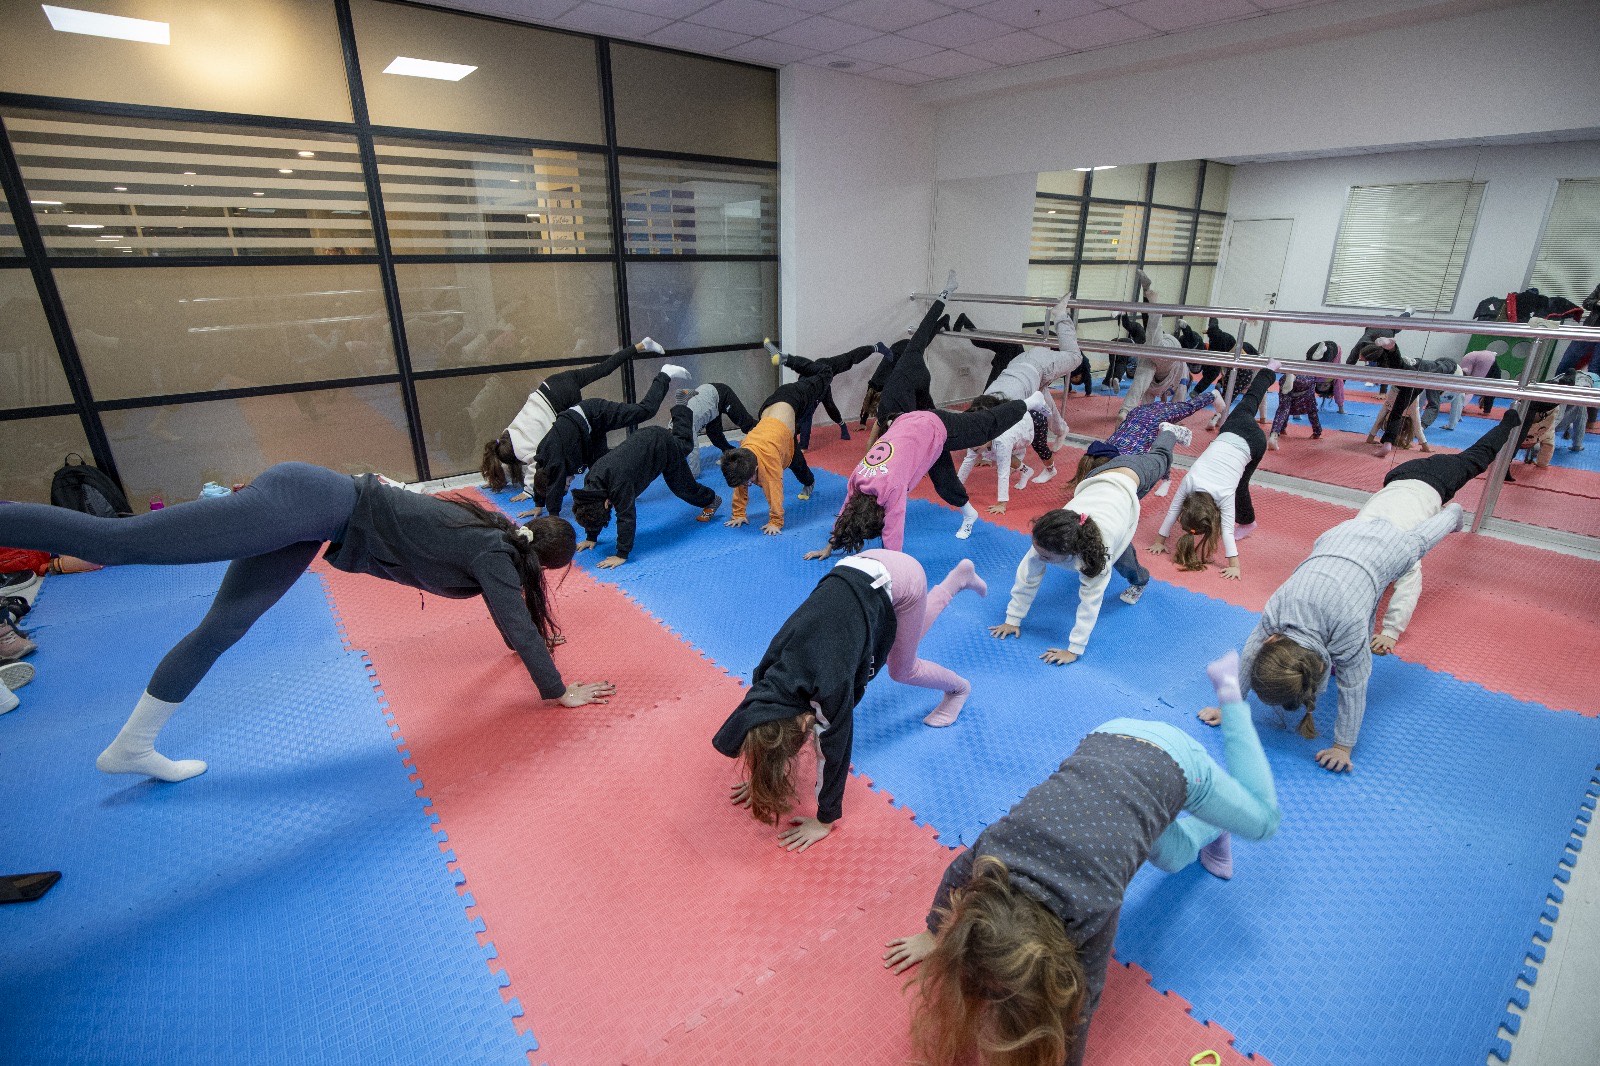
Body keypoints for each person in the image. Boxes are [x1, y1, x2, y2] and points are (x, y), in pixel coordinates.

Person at [0, 464, 615, 782]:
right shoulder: (497, 554)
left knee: (224, 627)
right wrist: (558, 691)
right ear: (541, 563)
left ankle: (130, 747)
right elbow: (514, 623)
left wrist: (538, 636)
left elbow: (517, 616)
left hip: (313, 512)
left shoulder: (495, 534)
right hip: (304, 503)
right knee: (121, 541)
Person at [884, 651, 1280, 1066]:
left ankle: (1231, 692)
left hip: (1176, 763)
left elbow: (1084, 998)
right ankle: (1216, 827)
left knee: (1265, 821)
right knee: (1175, 856)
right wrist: (933, 933)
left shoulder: (1094, 902)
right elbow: (954, 874)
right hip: (1107, 742)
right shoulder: (996, 851)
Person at [1222, 435, 1493, 771]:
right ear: (1274, 640)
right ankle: (1446, 517)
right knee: (1364, 598)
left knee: (1424, 538)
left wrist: (1343, 746)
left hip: (1381, 552)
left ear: (1274, 639)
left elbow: (1354, 686)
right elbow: (1251, 652)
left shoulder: (1346, 634)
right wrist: (1229, 707)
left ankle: (1453, 514)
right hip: (1335, 538)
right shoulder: (1279, 608)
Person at [712, 552, 988, 851]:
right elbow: (757, 721)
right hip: (856, 570)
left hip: (902, 578)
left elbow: (834, 753)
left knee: (902, 668)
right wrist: (762, 777)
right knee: (905, 639)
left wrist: (824, 820)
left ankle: (959, 687)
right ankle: (958, 578)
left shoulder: (830, 691)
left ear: (808, 720)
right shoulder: (767, 677)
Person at [806, 287, 1028, 549]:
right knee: (943, 475)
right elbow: (849, 506)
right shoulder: (857, 476)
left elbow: (894, 527)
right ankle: (970, 512)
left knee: (982, 429)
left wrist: (892, 562)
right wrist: (831, 544)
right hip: (922, 431)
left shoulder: (890, 485)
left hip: (931, 425)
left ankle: (1027, 403)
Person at [989, 423, 1189, 665]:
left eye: (1046, 557)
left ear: (1072, 552)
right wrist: (1013, 619)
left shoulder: (1097, 558)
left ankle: (1168, 431)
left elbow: (1090, 603)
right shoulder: (1046, 540)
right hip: (1099, 479)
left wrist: (1074, 649)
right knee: (1118, 546)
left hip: (1135, 475)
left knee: (1161, 458)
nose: (1037, 556)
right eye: (1038, 550)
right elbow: (1026, 578)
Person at [1360, 412, 1522, 657]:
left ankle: (1508, 423)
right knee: (1475, 453)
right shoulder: (1354, 533)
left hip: (1436, 477)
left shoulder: (1404, 548)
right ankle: (1444, 514)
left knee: (1480, 455)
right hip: (1399, 476)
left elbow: (1410, 588)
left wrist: (1390, 631)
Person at [481, 338, 673, 500]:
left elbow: (534, 466)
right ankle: (640, 346)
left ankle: (607, 475)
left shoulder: (524, 451)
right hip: (552, 384)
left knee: (586, 436)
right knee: (603, 369)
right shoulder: (508, 434)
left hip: (561, 399)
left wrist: (529, 492)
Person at [1150, 365, 1279, 580]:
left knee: (1240, 485)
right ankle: (1270, 370)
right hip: (1233, 431)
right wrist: (1158, 540)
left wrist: (1235, 566)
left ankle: (1248, 522)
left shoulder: (1224, 495)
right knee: (1251, 399)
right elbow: (1174, 510)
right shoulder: (1191, 481)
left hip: (1253, 443)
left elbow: (1226, 532)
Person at [569, 400, 723, 568]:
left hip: (660, 447)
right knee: (681, 445)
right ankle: (680, 408)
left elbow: (626, 517)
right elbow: (589, 509)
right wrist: (591, 537)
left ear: (607, 503)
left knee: (682, 485)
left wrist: (622, 554)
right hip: (643, 439)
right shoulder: (590, 484)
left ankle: (712, 500)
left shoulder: (618, 485)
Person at [526, 363, 686, 518]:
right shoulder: (544, 459)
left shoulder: (555, 463)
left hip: (594, 413)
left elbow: (555, 486)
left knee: (645, 411)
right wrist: (538, 504)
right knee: (599, 465)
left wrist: (553, 517)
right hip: (588, 432)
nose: (571, 481)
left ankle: (665, 374)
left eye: (566, 484)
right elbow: (542, 478)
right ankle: (620, 492)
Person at [719, 368, 837, 536]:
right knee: (743, 480)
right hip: (770, 423)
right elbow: (739, 485)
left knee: (800, 469)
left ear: (756, 469)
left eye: (749, 481)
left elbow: (775, 495)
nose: (747, 485)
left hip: (785, 436)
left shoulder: (769, 468)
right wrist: (738, 513)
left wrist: (776, 522)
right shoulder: (740, 457)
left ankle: (810, 482)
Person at [1070, 390, 1228, 489]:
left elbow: (1161, 456)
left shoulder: (1134, 457)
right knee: (1184, 409)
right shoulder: (1103, 449)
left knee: (1187, 407)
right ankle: (1166, 480)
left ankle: (1212, 395)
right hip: (1139, 412)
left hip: (1155, 418)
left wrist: (1164, 478)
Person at [954, 392, 1062, 515]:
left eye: (976, 447)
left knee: (1039, 447)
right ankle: (1026, 471)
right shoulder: (976, 437)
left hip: (1034, 418)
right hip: (1014, 428)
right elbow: (968, 461)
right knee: (994, 454)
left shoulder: (1001, 441)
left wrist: (1002, 503)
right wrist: (956, 487)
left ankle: (1051, 470)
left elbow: (1003, 473)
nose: (973, 449)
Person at [769, 340, 873, 447]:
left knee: (848, 359)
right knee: (829, 406)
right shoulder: (800, 408)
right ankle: (843, 425)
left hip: (821, 372)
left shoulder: (800, 405)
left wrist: (803, 446)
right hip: (819, 382)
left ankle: (875, 348)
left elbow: (805, 424)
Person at [676, 381, 757, 478]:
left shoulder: (686, 426)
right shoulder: (674, 424)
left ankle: (768, 435)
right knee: (714, 435)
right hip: (709, 402)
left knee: (746, 424)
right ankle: (731, 455)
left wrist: (691, 476)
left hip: (721, 394)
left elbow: (694, 451)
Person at [1268, 366, 1324, 449]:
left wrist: (1282, 428)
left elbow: (1284, 410)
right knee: (1311, 409)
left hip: (1284, 380)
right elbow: (1313, 412)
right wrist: (1317, 432)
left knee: (1283, 409)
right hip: (1304, 382)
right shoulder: (1312, 380)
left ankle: (1274, 435)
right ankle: (1294, 377)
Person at [1307, 340, 1346, 414]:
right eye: (1325, 385)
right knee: (1326, 359)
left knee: (1310, 358)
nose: (1322, 383)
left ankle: (1319, 352)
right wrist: (1341, 408)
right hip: (1334, 350)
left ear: (1316, 385)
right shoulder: (1335, 379)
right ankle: (1322, 351)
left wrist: (1312, 405)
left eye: (1319, 385)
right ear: (1331, 386)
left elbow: (1309, 392)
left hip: (1316, 349)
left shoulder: (1313, 379)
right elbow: (1339, 392)